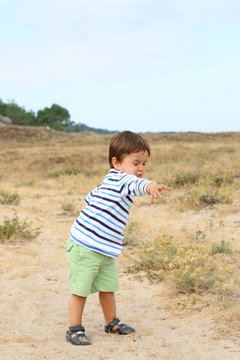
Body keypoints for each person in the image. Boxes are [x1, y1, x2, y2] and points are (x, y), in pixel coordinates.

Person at [66, 130, 171, 346]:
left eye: (144, 163)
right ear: (117, 162)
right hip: (85, 246)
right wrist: (150, 186)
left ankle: (111, 322)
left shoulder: (114, 180)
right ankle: (74, 329)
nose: (141, 168)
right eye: (136, 163)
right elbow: (137, 185)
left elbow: (91, 197)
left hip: (104, 249)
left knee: (107, 287)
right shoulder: (122, 179)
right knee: (81, 289)